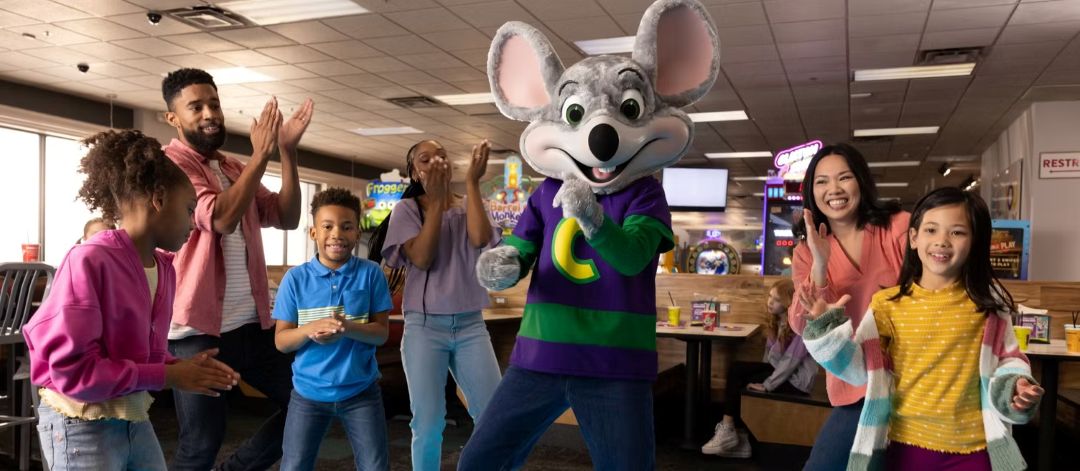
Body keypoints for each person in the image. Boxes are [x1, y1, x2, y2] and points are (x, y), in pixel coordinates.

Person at [23, 130, 240, 471]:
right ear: (158, 198)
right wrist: (168, 376)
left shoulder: (163, 267)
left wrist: (180, 367)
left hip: (130, 413)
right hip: (81, 419)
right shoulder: (89, 260)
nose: (193, 224)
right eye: (188, 210)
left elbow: (139, 355)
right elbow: (75, 373)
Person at [800, 187, 1044, 470]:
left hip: (974, 450)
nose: (942, 241)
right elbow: (857, 370)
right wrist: (826, 326)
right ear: (914, 238)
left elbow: (1009, 359)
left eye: (957, 232)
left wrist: (1015, 386)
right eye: (931, 230)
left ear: (975, 241)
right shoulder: (887, 305)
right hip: (905, 448)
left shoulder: (988, 306)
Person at [160, 67, 313, 470]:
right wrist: (261, 155)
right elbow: (221, 218)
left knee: (309, 401)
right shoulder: (170, 165)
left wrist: (286, 152)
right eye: (196, 107)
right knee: (201, 443)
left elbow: (285, 215)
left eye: (214, 104)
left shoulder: (231, 167)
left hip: (252, 323)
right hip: (198, 330)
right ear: (173, 117)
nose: (210, 113)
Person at [379, 139, 503, 470]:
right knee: (428, 422)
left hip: (471, 324)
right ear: (414, 173)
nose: (436, 162)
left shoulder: (471, 203)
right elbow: (422, 257)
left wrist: (473, 182)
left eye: (442, 156)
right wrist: (435, 202)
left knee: (493, 415)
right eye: (425, 159)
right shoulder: (407, 210)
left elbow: (479, 239)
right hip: (424, 328)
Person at [787, 143, 910, 470]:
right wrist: (820, 265)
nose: (834, 189)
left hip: (913, 380)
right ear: (812, 192)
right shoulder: (805, 253)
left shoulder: (897, 227)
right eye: (822, 181)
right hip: (856, 384)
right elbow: (801, 325)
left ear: (861, 181)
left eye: (844, 177)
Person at [273, 188, 394, 471]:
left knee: (375, 466)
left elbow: (381, 333)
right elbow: (281, 341)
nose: (337, 234)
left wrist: (347, 328)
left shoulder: (371, 273)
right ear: (313, 233)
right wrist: (310, 329)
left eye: (346, 226)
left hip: (360, 391)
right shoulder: (295, 279)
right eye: (327, 226)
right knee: (294, 466)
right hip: (308, 392)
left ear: (357, 233)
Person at [702, 278, 818, 458]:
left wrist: (767, 384)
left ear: (789, 303)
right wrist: (762, 375)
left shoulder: (801, 325)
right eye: (770, 296)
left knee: (742, 378)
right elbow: (769, 360)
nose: (770, 302)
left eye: (777, 299)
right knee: (736, 370)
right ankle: (735, 434)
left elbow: (790, 362)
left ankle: (735, 435)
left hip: (797, 382)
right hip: (782, 374)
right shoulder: (777, 322)